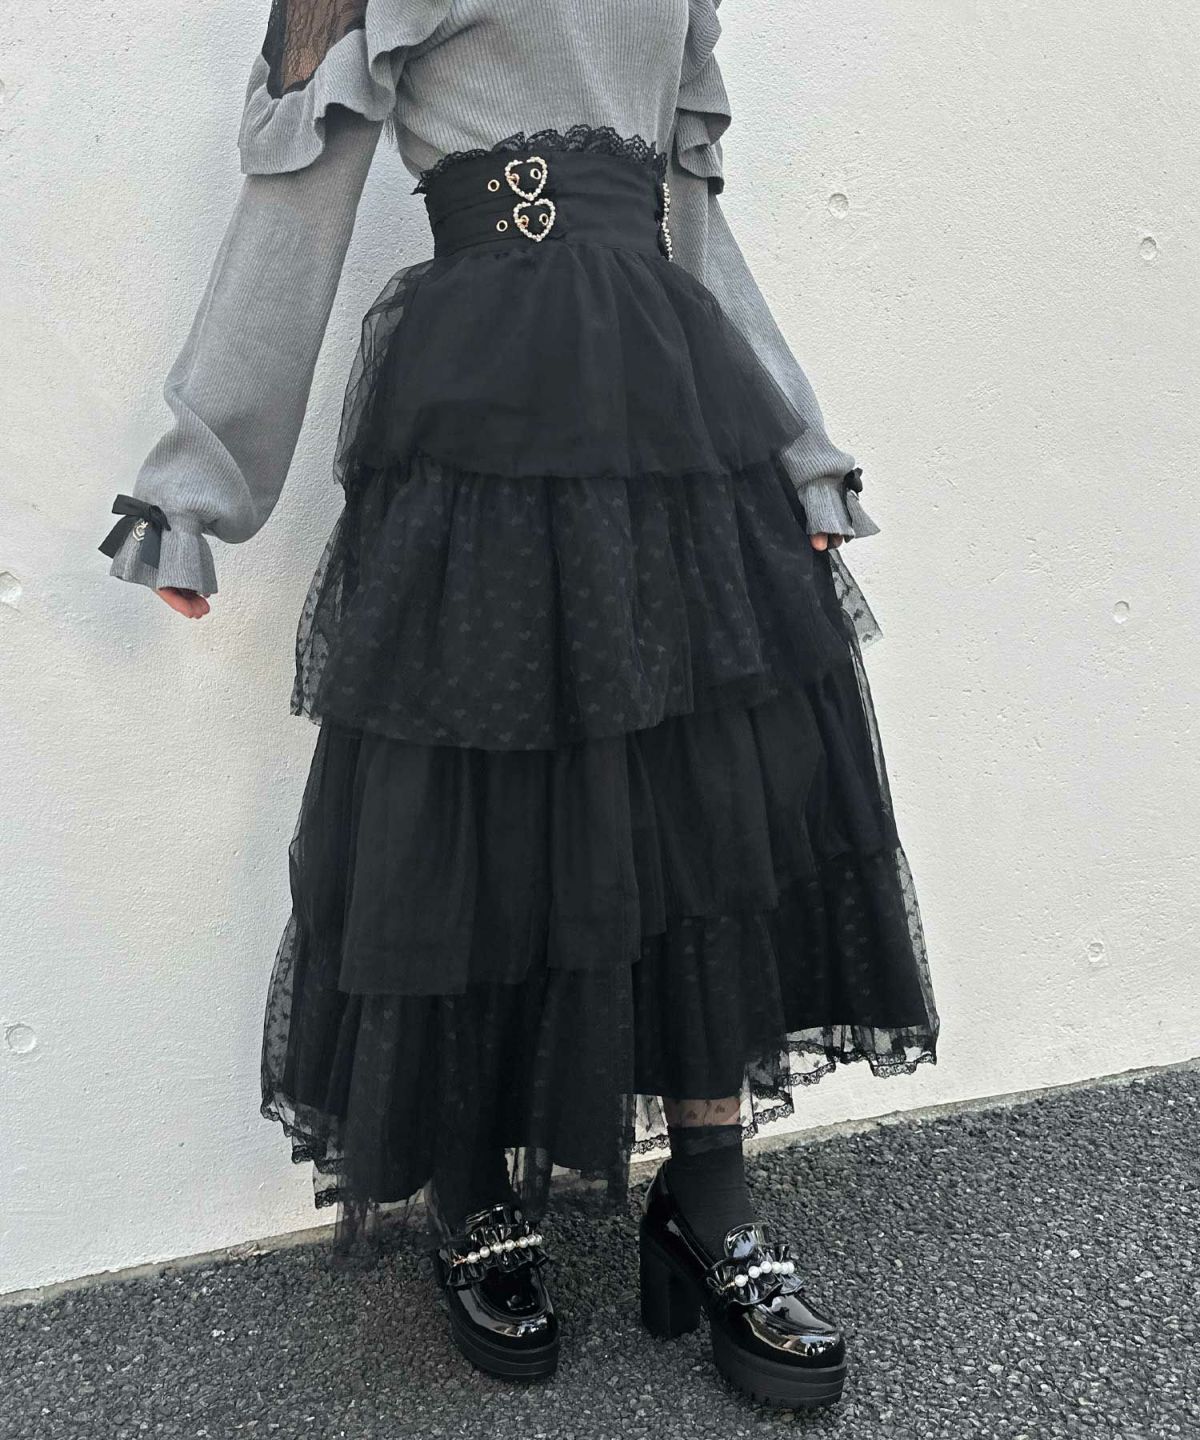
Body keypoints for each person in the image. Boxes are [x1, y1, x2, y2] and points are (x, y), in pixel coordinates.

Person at [97, 0, 939, 1410]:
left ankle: (710, 1199)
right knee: (472, 813)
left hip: (669, 423)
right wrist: (199, 482)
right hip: (482, 426)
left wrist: (798, 442)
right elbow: (294, 205)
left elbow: (690, 216)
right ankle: (476, 1187)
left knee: (695, 806)